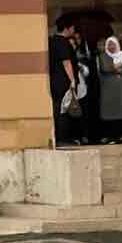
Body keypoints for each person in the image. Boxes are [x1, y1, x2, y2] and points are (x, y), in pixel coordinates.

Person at [99, 36, 122, 144]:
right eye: (109, 44)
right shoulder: (103, 56)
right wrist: (117, 68)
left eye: (113, 44)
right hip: (109, 91)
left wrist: (116, 69)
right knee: (111, 112)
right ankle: (112, 137)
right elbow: (105, 68)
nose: (111, 46)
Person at [48, 16, 78, 147]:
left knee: (57, 108)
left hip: (53, 80)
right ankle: (63, 137)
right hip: (62, 81)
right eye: (72, 28)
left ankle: (59, 136)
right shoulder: (63, 42)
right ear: (67, 28)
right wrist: (72, 80)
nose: (74, 30)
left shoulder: (51, 40)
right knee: (63, 110)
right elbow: (66, 63)